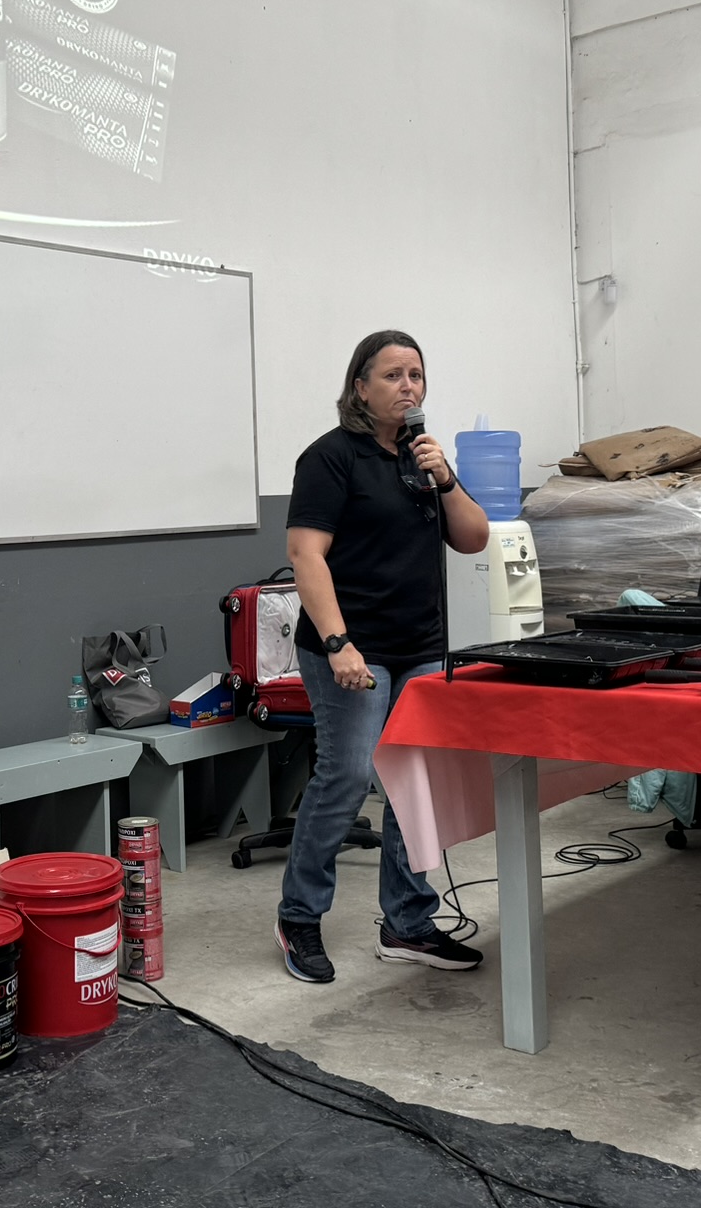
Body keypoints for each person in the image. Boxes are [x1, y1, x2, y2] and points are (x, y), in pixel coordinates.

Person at [275, 330, 491, 983]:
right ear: (360, 387)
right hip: (352, 649)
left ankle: (409, 923)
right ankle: (299, 917)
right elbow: (305, 555)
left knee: (413, 781)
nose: (408, 386)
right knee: (345, 777)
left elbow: (474, 538)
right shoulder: (330, 458)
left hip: (419, 645)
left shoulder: (424, 458)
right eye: (393, 375)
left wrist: (444, 477)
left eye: (416, 375)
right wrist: (338, 642)